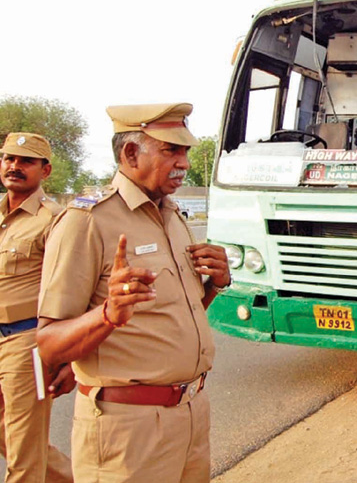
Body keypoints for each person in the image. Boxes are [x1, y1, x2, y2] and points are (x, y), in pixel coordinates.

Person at [35, 103, 231, 483]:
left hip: (190, 415)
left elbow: (179, 313)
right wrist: (107, 314)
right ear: (129, 154)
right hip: (129, 428)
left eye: (186, 151)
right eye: (170, 150)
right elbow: (49, 344)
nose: (185, 163)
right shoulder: (86, 222)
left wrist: (216, 286)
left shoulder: (173, 217)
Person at [0, 133, 73, 483]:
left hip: (27, 343)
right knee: (15, 439)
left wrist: (69, 357)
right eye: (9, 158)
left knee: (23, 450)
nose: (14, 166)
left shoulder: (55, 219)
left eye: (25, 161)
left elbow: (74, 289)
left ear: (45, 171)